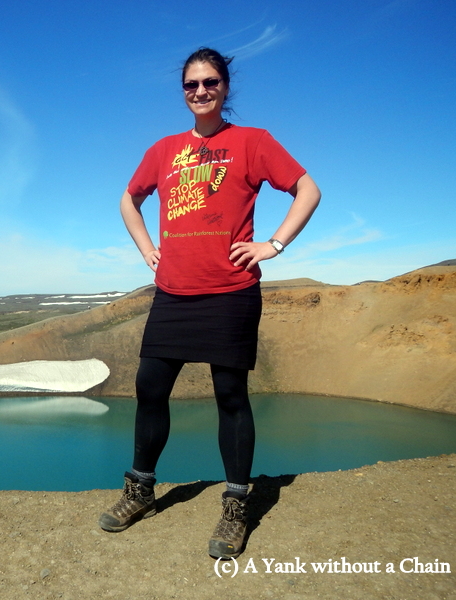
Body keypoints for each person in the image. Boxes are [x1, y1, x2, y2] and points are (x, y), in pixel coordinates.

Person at [98, 47, 321, 559]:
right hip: (174, 292)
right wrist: (148, 250)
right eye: (191, 84)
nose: (201, 91)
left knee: (230, 396)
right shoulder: (163, 150)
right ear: (183, 91)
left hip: (230, 291)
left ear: (225, 87)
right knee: (150, 389)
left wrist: (275, 245)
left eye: (210, 82)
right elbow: (128, 199)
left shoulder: (253, 142)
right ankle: (139, 491)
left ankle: (237, 506)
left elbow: (307, 189)